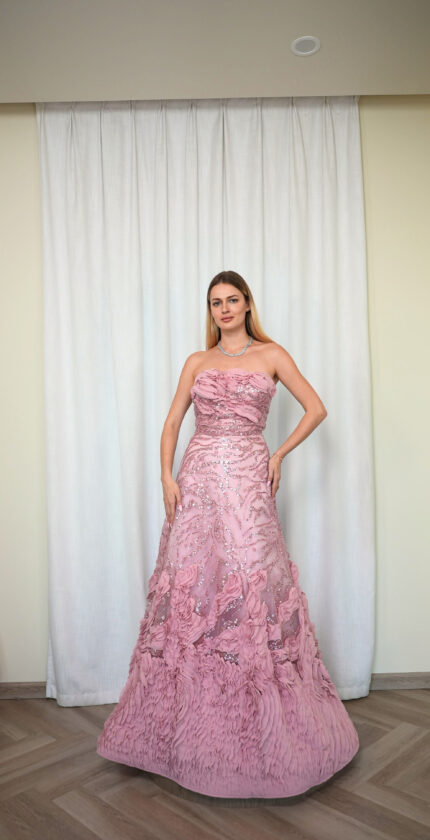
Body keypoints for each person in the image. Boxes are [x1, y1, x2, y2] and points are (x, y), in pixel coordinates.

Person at [96, 269, 359, 799]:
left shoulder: (271, 353)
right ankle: (183, 727)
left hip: (246, 475)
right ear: (210, 309)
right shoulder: (197, 361)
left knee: (252, 582)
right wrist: (167, 477)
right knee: (195, 587)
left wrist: (279, 453)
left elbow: (317, 408)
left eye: (231, 300)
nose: (223, 309)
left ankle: (260, 726)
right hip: (196, 479)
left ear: (247, 304)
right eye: (215, 302)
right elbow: (172, 423)